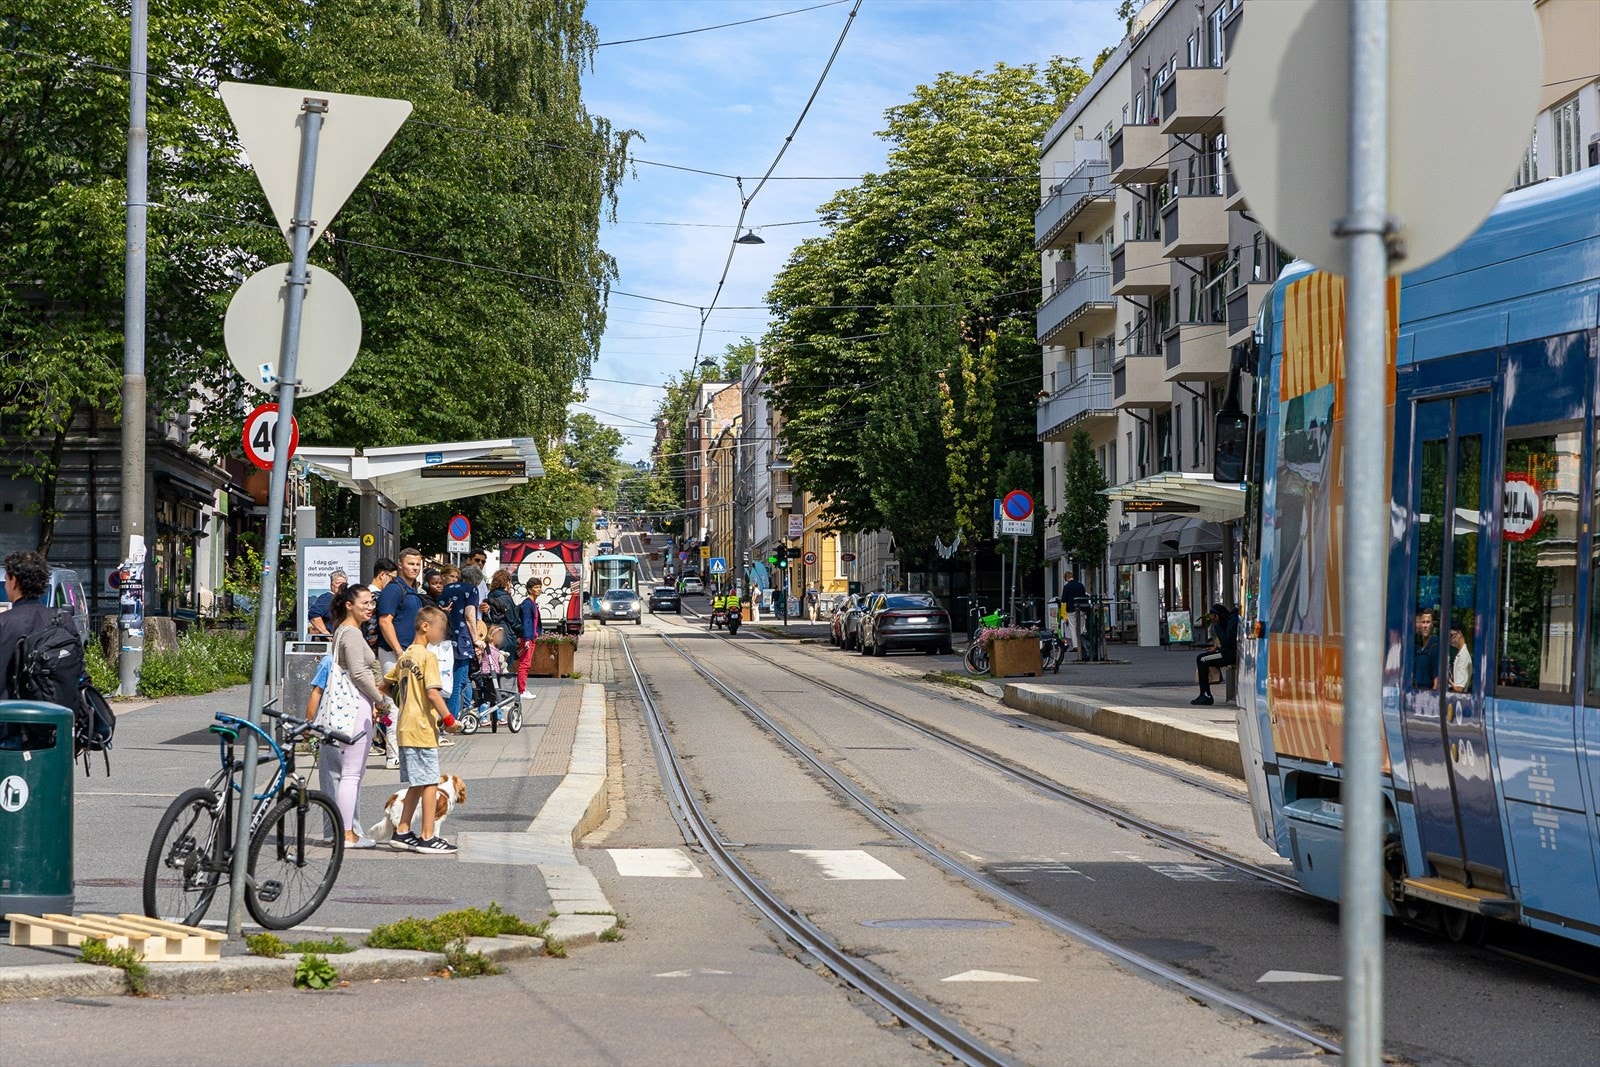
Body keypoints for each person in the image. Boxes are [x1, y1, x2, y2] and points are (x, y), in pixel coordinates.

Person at [382, 605, 461, 854]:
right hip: (422, 728)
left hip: (405, 727)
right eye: (440, 629)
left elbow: (384, 686)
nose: (442, 635)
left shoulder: (405, 657)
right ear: (425, 626)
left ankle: (403, 830)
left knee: (417, 782)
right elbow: (432, 693)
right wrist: (450, 720)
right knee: (429, 782)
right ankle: (428, 836)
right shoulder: (428, 657)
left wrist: (401, 702)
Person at [317, 584, 390, 848]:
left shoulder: (345, 631)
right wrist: (381, 701)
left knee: (348, 773)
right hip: (355, 705)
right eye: (365, 603)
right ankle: (347, 833)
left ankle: (345, 831)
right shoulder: (350, 633)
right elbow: (359, 673)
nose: (370, 607)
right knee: (351, 774)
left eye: (372, 603)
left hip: (350, 704)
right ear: (349, 605)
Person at [0, 551, 54, 697]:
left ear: (14, 581)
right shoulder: (62, 620)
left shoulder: (4, 622)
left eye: (6, 580)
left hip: (12, 713)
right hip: (57, 712)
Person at [376, 548, 424, 675]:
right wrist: (398, 651)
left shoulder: (412, 590)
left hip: (410, 653)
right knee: (394, 693)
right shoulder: (393, 590)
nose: (415, 568)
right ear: (400, 565)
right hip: (393, 653)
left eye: (418, 564)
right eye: (411, 564)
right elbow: (385, 622)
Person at [1192, 603, 1238, 706]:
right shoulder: (1229, 621)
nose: (1211, 619)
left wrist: (1217, 626)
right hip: (1227, 651)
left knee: (1202, 659)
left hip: (1230, 654)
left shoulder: (1231, 622)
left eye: (1212, 616)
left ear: (1216, 616)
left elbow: (1228, 642)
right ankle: (1205, 693)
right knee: (1202, 658)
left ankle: (1205, 694)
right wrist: (1216, 648)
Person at [363, 558, 398, 654]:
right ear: (382, 575)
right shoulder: (377, 597)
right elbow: (372, 627)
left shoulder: (364, 595)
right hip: (375, 651)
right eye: (392, 578)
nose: (393, 582)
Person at [515, 578, 544, 693]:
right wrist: (527, 638)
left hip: (532, 637)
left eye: (540, 587)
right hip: (527, 638)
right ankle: (521, 691)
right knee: (524, 664)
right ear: (529, 590)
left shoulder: (533, 603)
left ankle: (523, 689)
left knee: (526, 664)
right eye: (536, 587)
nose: (539, 589)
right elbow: (526, 621)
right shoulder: (527, 604)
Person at [483, 569, 520, 655]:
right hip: (506, 634)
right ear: (507, 582)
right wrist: (522, 632)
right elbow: (513, 619)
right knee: (504, 664)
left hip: (493, 633)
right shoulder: (505, 597)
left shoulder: (490, 595)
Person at [307, 570, 348, 638]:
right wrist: (326, 634)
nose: (341, 586)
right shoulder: (326, 598)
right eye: (338, 583)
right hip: (333, 642)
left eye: (343, 584)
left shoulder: (348, 599)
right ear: (331, 585)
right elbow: (313, 615)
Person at [1060, 570, 1089, 652]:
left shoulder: (1067, 587)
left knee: (1073, 627)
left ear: (1066, 578)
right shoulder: (1080, 585)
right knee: (1082, 627)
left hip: (1071, 609)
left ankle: (1076, 646)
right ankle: (1083, 644)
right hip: (1082, 608)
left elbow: (1063, 600)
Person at [1412, 609, 1440, 690]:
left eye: (1428, 622)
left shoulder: (1435, 648)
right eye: (1423, 622)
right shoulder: (1417, 647)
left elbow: (1437, 683)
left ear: (1432, 625)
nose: (1425, 626)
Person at [1448, 626, 1472, 693]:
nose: (1450, 640)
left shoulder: (1463, 656)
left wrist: (1448, 680)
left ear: (1459, 634)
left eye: (1451, 635)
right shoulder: (1459, 654)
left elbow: (1459, 689)